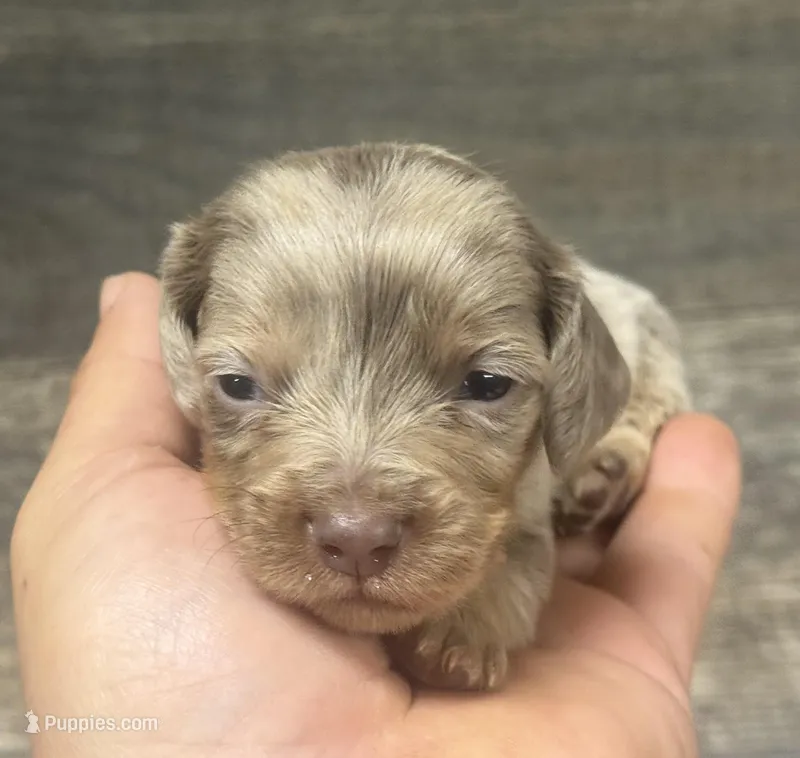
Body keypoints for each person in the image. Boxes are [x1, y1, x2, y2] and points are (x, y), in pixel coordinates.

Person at [11, 272, 741, 757]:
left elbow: (527, 536)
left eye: (485, 383)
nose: (355, 523)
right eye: (241, 384)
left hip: (616, 328)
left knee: (650, 337)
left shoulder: (572, 340)